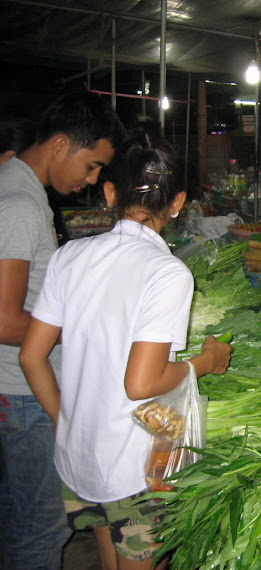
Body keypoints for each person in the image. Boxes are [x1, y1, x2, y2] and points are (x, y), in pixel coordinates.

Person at [19, 128, 233, 570]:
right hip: (134, 466)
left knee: (108, 559)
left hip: (79, 455)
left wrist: (66, 418)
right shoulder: (167, 273)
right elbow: (141, 384)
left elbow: (30, 356)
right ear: (178, 203)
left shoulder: (69, 257)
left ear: (110, 191)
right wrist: (204, 363)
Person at [0, 91, 126, 570]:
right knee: (43, 527)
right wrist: (80, 329)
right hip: (27, 393)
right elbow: (6, 319)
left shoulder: (20, 189)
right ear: (59, 145)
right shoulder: (19, 205)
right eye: (92, 165)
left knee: (18, 512)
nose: (92, 179)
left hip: (19, 389)